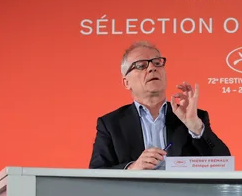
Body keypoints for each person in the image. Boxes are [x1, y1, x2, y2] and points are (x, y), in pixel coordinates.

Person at [89, 41, 231, 170]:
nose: (152, 68)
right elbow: (96, 173)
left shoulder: (192, 117)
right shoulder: (111, 124)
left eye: (157, 63)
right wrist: (131, 168)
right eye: (141, 65)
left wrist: (196, 127)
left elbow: (224, 164)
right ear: (127, 82)